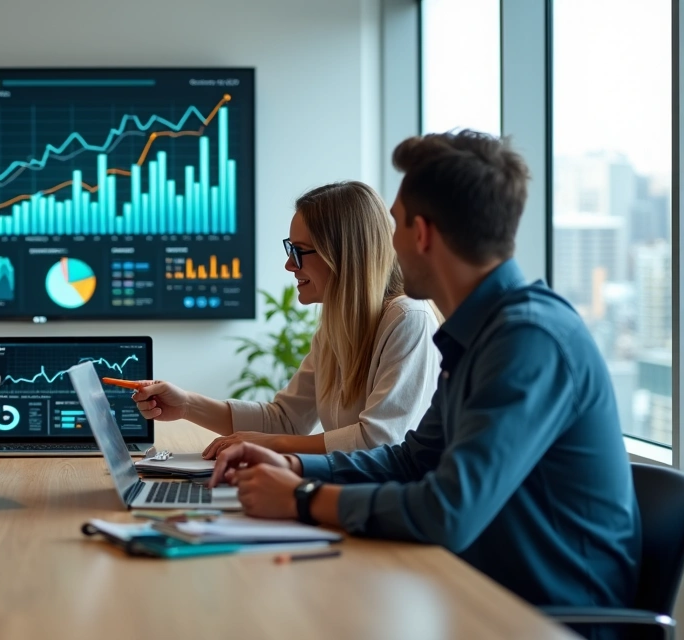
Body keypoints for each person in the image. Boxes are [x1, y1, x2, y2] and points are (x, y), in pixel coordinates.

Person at [208, 130, 640, 626]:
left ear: (423, 233)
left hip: (543, 618)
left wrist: (303, 499)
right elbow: (414, 459)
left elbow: (448, 511)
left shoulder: (527, 342)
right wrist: (297, 466)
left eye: (394, 223)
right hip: (482, 594)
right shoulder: (481, 335)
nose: (386, 243)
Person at [134, 181, 440, 457]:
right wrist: (186, 404)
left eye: (299, 251)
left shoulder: (408, 319)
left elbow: (379, 440)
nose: (288, 265)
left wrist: (266, 443)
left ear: (343, 254)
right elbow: (286, 420)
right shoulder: (337, 327)